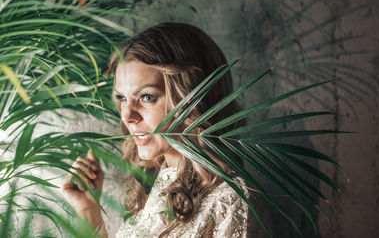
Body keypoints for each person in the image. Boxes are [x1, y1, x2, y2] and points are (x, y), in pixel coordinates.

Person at [62, 22, 253, 238]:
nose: (127, 116)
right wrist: (89, 214)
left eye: (147, 97)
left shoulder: (227, 200)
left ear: (190, 98)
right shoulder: (150, 190)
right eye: (122, 98)